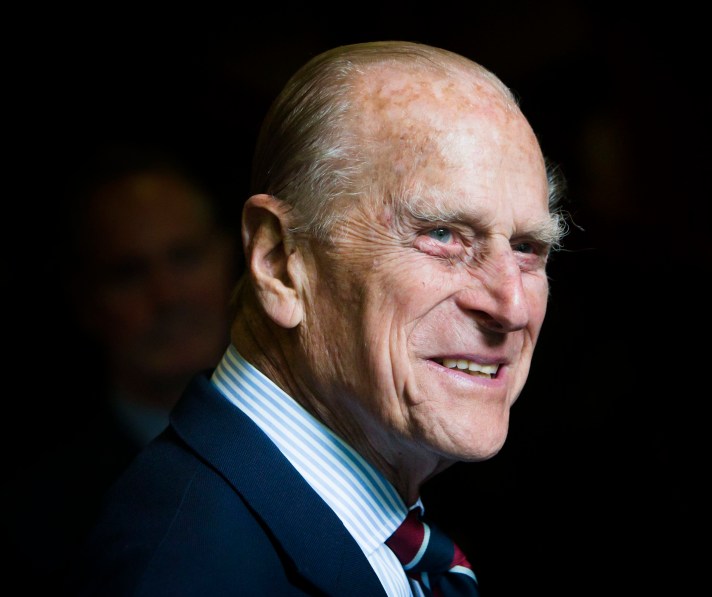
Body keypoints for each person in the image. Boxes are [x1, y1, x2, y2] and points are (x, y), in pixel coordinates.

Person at [66, 40, 567, 596]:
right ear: (279, 263)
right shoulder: (184, 571)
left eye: (527, 248)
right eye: (441, 235)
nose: (512, 306)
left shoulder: (372, 525)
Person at [6, 142, 240, 591]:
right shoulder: (41, 518)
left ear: (231, 257)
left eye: (185, 257)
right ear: (84, 302)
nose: (168, 296)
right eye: (128, 272)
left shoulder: (339, 432)